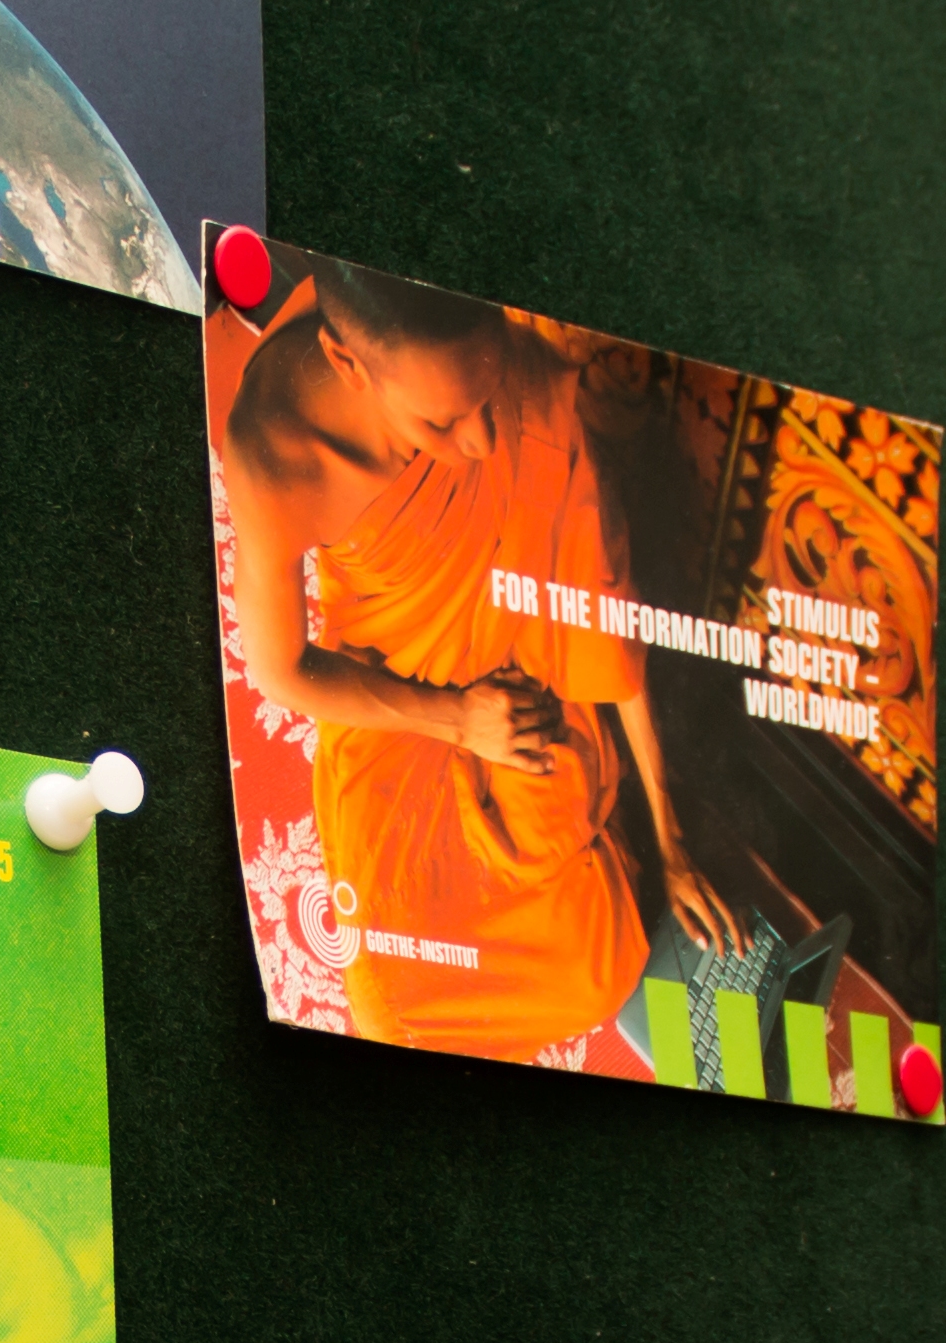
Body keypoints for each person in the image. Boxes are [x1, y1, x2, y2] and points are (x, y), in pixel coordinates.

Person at [222, 253, 741, 1060]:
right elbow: (282, 672)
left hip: (523, 671)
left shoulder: (521, 381)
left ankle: (606, 838)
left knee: (593, 971)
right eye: (440, 423)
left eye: (485, 397)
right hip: (402, 697)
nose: (482, 439)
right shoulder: (275, 449)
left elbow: (605, 613)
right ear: (346, 363)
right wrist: (458, 721)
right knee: (393, 1009)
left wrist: (673, 846)